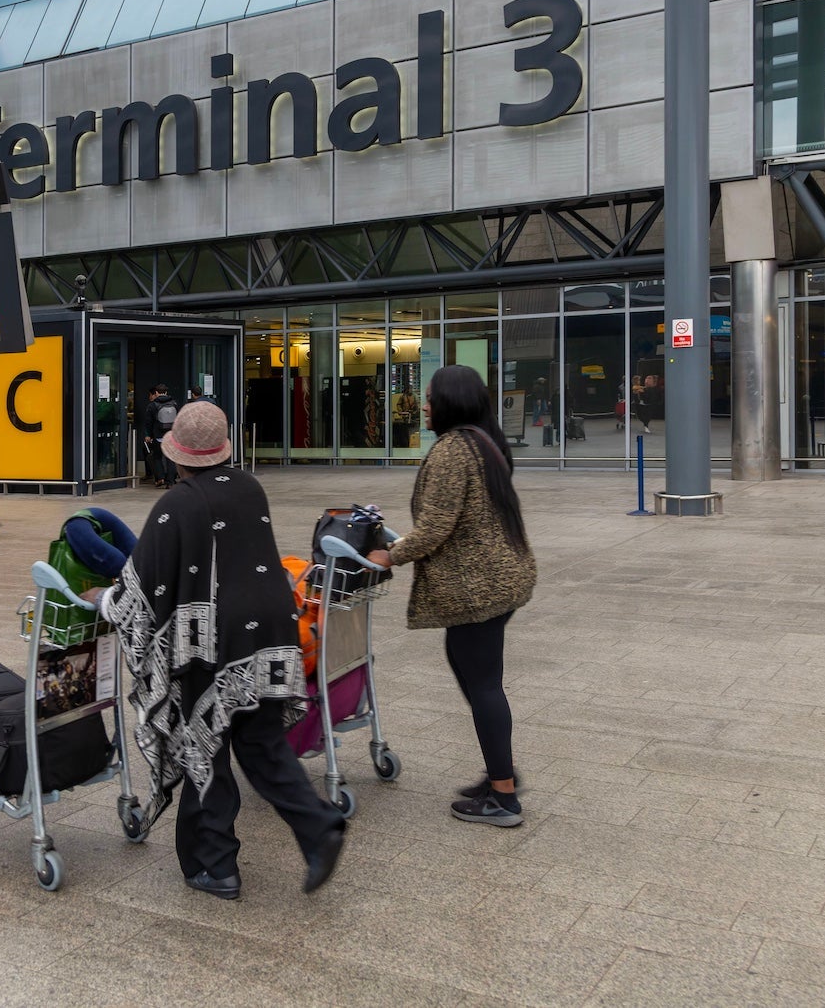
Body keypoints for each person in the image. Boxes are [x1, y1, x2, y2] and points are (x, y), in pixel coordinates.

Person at [86, 402, 345, 900]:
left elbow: (140, 586)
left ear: (177, 454)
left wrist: (104, 601)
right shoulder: (250, 486)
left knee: (205, 745)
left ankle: (217, 865)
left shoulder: (176, 504)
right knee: (261, 743)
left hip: (211, 640)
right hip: (271, 630)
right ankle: (319, 829)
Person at [365, 365, 538, 828]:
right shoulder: (485, 442)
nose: (422, 405)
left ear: (450, 402)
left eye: (428, 398)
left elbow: (436, 528)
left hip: (479, 585)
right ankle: (500, 771)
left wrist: (390, 555)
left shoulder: (451, 451)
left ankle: (503, 796)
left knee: (483, 683)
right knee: (473, 670)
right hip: (502, 577)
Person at [144, 384, 179, 488]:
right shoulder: (174, 403)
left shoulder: (152, 405)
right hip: (171, 435)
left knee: (157, 457)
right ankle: (171, 481)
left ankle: (160, 478)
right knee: (170, 458)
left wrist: (148, 435)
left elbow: (148, 422)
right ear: (166, 392)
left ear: (156, 393)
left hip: (158, 435)